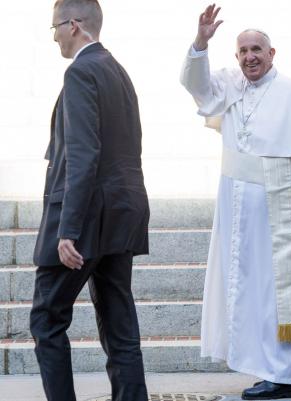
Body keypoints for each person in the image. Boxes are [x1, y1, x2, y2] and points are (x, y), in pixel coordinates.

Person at [180, 4, 291, 399]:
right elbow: (195, 85)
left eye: (256, 49)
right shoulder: (229, 85)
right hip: (237, 207)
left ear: (272, 54)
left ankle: (283, 372)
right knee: (252, 292)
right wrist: (201, 42)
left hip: (282, 207)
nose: (249, 57)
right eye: (242, 51)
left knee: (280, 292)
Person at [29, 1, 150, 400]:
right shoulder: (119, 70)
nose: (55, 37)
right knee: (119, 325)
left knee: (47, 319)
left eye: (56, 28)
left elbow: (83, 153)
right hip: (123, 214)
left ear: (75, 25)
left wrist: (68, 230)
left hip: (87, 217)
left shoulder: (81, 71)